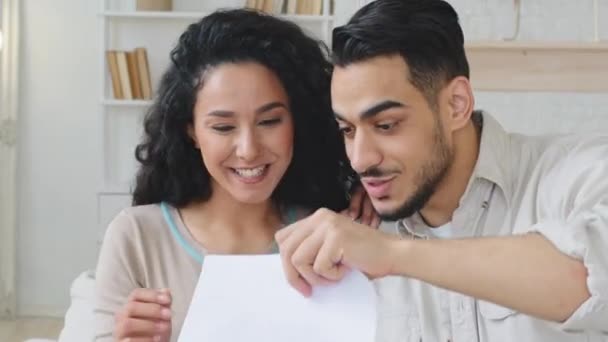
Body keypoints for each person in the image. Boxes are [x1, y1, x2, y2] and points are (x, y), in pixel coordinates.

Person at [275, 0, 608, 341]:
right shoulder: (350, 228)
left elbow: (591, 278)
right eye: (347, 129)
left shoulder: (583, 174)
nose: (360, 159)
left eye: (387, 125)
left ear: (456, 105)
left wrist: (390, 254)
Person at [93, 9, 377, 342]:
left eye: (270, 121)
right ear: (192, 132)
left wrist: (373, 196)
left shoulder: (325, 231)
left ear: (298, 121)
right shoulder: (137, 236)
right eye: (223, 127)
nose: (248, 149)